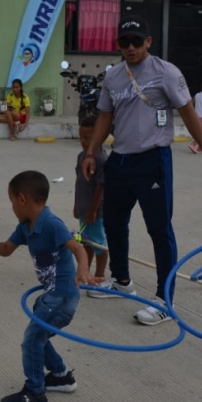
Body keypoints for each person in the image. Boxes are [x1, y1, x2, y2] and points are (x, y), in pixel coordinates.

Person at [81, 16, 202, 326]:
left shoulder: (166, 73)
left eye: (136, 41)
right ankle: (121, 281)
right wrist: (92, 152)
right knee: (115, 223)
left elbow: (188, 113)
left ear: (148, 41)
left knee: (159, 229)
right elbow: (105, 117)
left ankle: (165, 300)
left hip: (153, 160)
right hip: (120, 160)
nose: (130, 48)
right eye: (124, 42)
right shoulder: (114, 77)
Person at [0, 170, 100, 402]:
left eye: (11, 201)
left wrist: (84, 270)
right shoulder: (25, 227)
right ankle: (61, 376)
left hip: (62, 297)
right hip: (51, 296)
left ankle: (35, 393)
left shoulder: (51, 223)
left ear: (22, 199)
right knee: (39, 337)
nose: (12, 207)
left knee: (31, 341)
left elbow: (78, 249)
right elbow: (6, 249)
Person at [74, 115, 110, 293]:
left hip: (96, 212)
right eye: (81, 137)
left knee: (99, 244)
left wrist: (93, 211)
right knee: (86, 242)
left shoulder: (101, 159)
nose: (83, 141)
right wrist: (76, 204)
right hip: (83, 208)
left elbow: (101, 188)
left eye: (87, 138)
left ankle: (100, 275)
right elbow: (78, 181)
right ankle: (85, 271)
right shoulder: (81, 156)